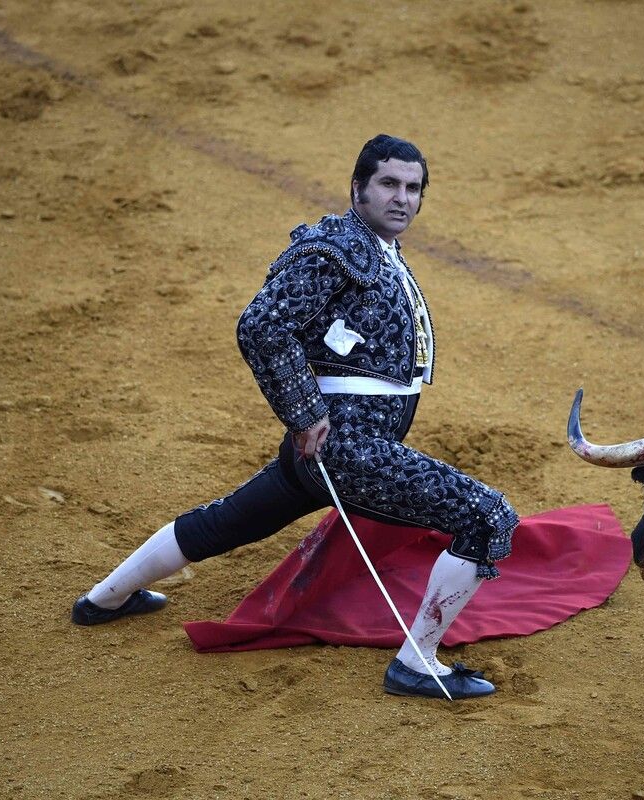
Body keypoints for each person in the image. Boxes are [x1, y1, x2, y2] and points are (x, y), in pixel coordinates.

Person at [71, 134, 520, 700]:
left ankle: (104, 598)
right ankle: (417, 661)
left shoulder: (371, 247)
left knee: (231, 520)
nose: (402, 198)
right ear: (358, 188)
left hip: (335, 445)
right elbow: (261, 325)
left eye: (413, 188)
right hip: (348, 448)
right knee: (487, 517)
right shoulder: (335, 249)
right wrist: (305, 413)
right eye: (388, 184)